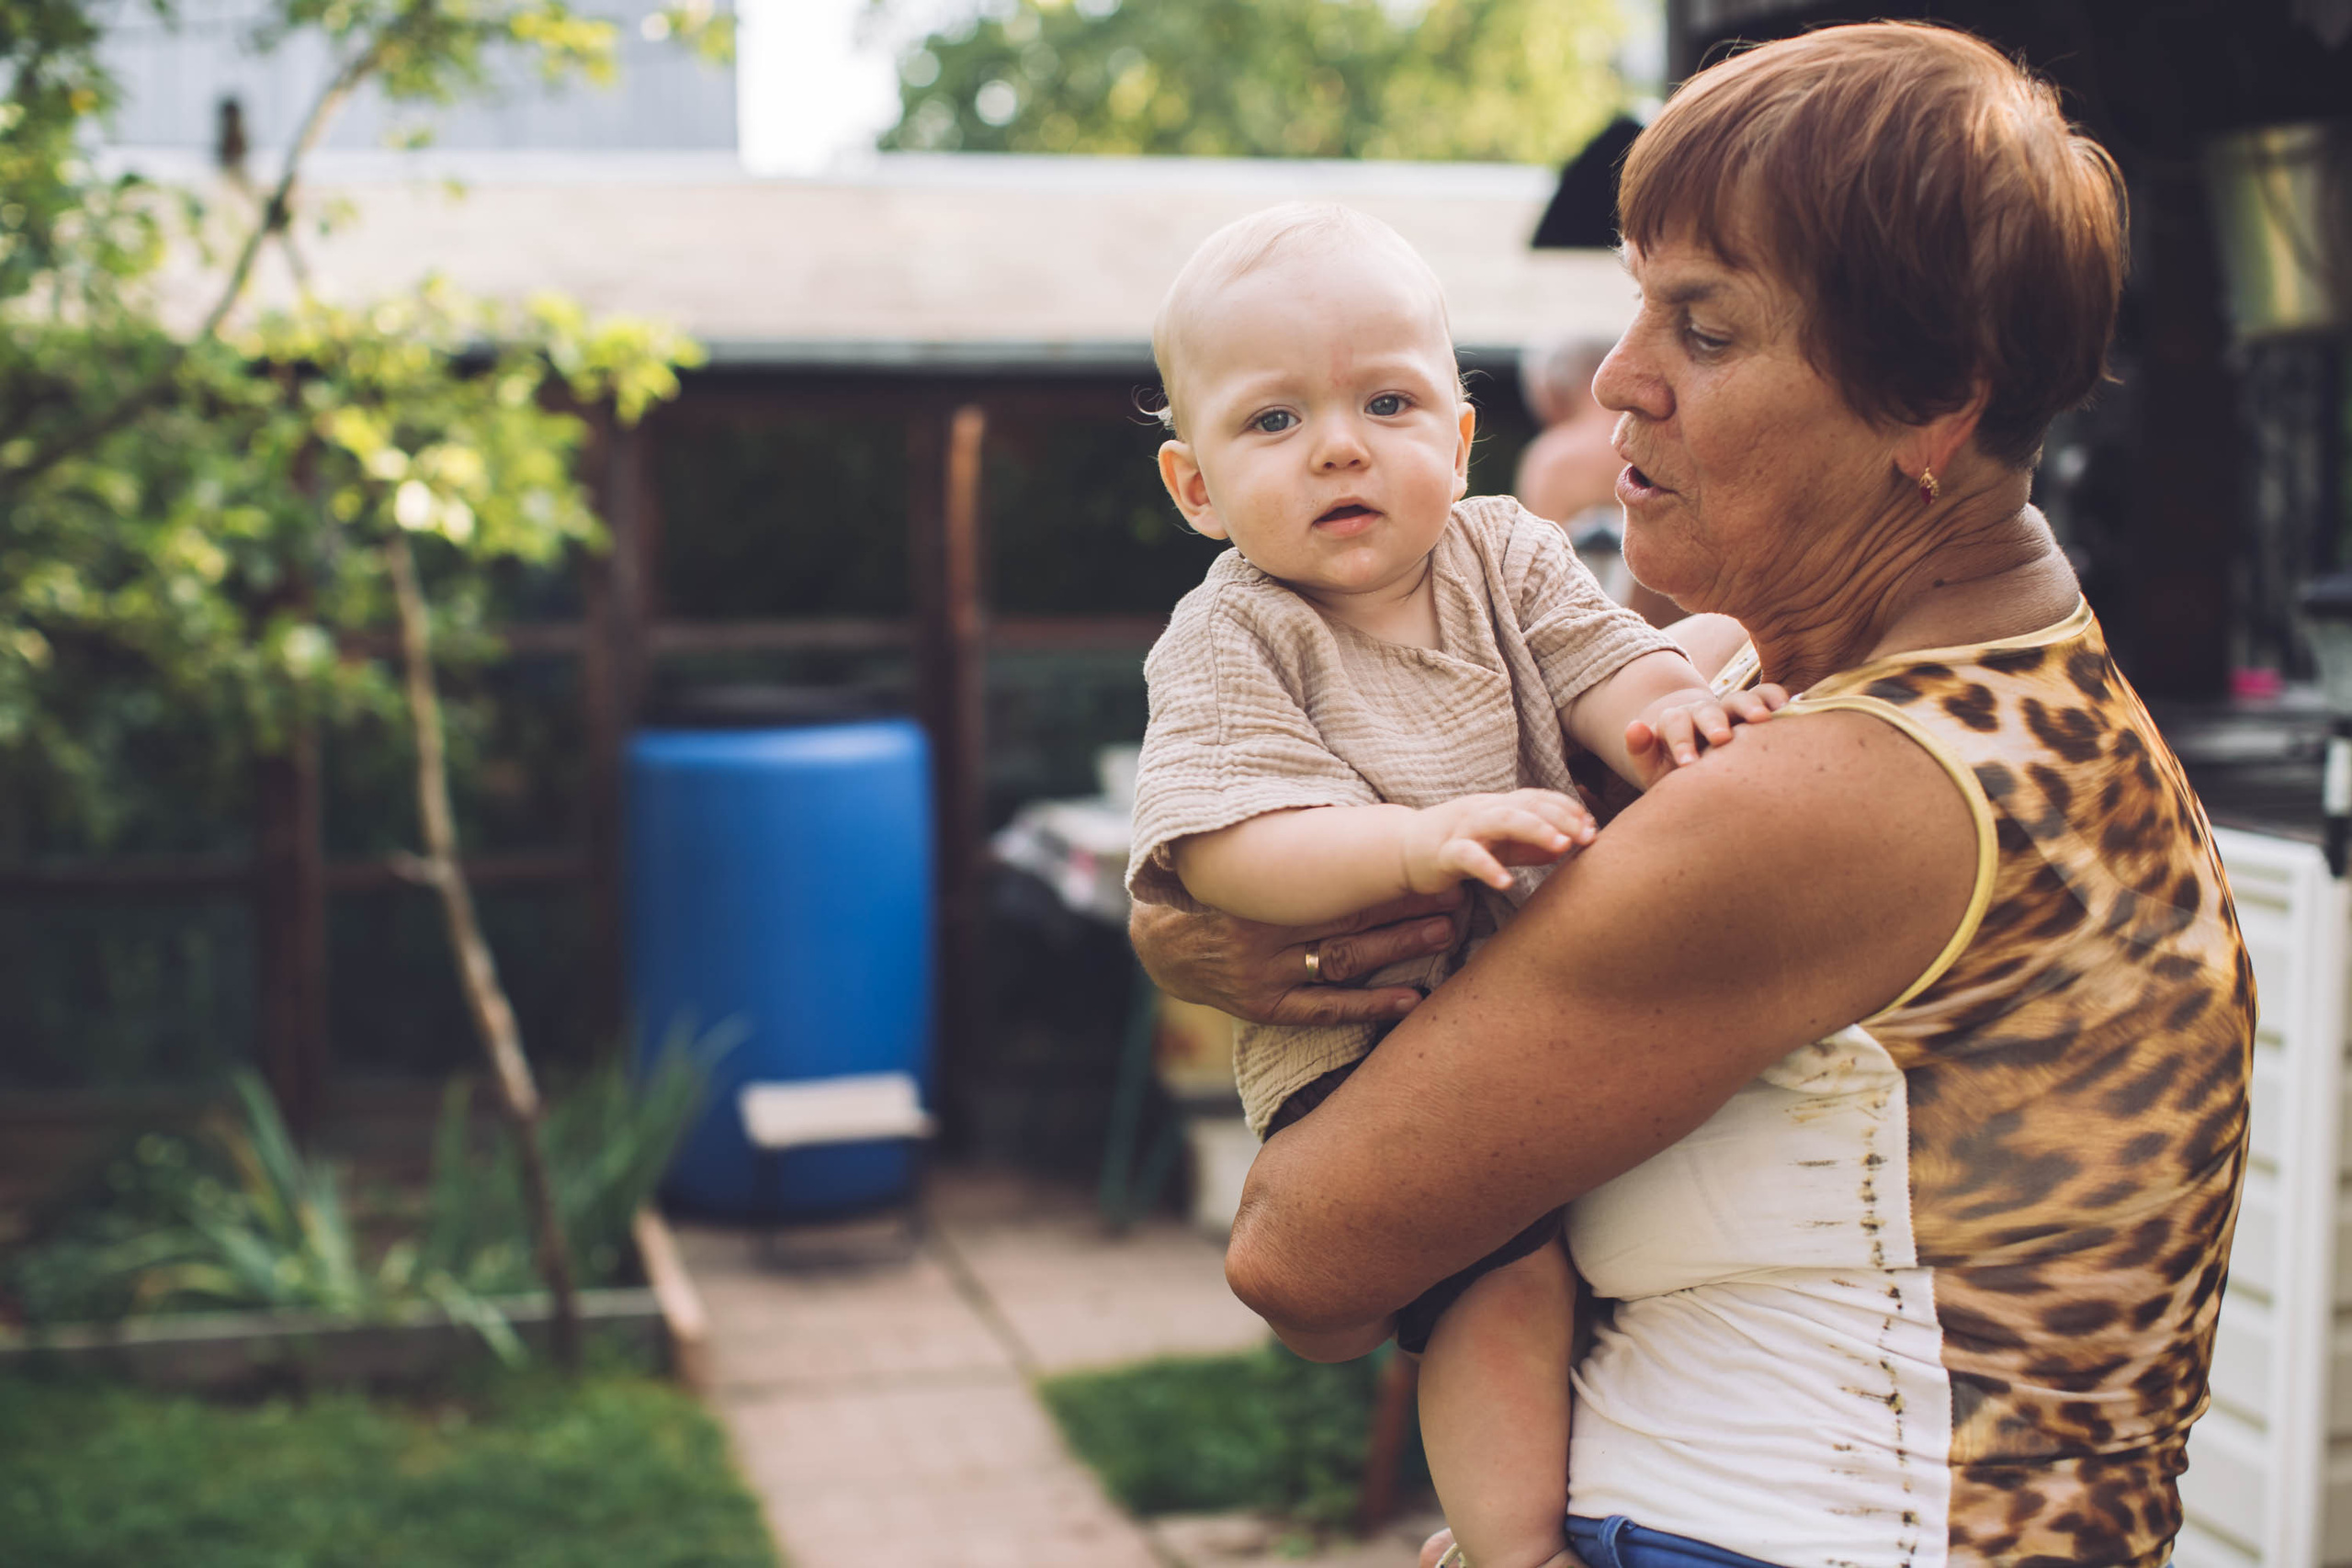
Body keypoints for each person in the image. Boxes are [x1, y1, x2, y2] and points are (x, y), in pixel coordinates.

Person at [1130, 23, 2255, 1568]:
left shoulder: (1825, 794)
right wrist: (1212, 904)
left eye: (1704, 330)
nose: (1618, 378)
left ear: (1930, 405)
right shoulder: (2023, 690)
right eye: (1636, 302)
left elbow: (1308, 1254)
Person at [1129, 203, 1783, 1568]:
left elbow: (1609, 664)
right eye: (1274, 423)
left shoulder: (1509, 553)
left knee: (1597, 1262)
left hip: (1514, 1008)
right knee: (1505, 1283)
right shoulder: (1235, 631)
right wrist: (1415, 844)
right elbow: (1230, 848)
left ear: (1461, 431)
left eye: (1386, 399)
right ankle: (1506, 1543)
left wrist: (1669, 720)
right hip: (1356, 1045)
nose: (1342, 445)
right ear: (1195, 488)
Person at [1515, 335, 1681, 627]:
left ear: (1554, 389)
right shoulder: (1673, 445)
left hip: (1597, 638)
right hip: (1681, 631)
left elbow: (1540, 577)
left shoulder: (1554, 459)